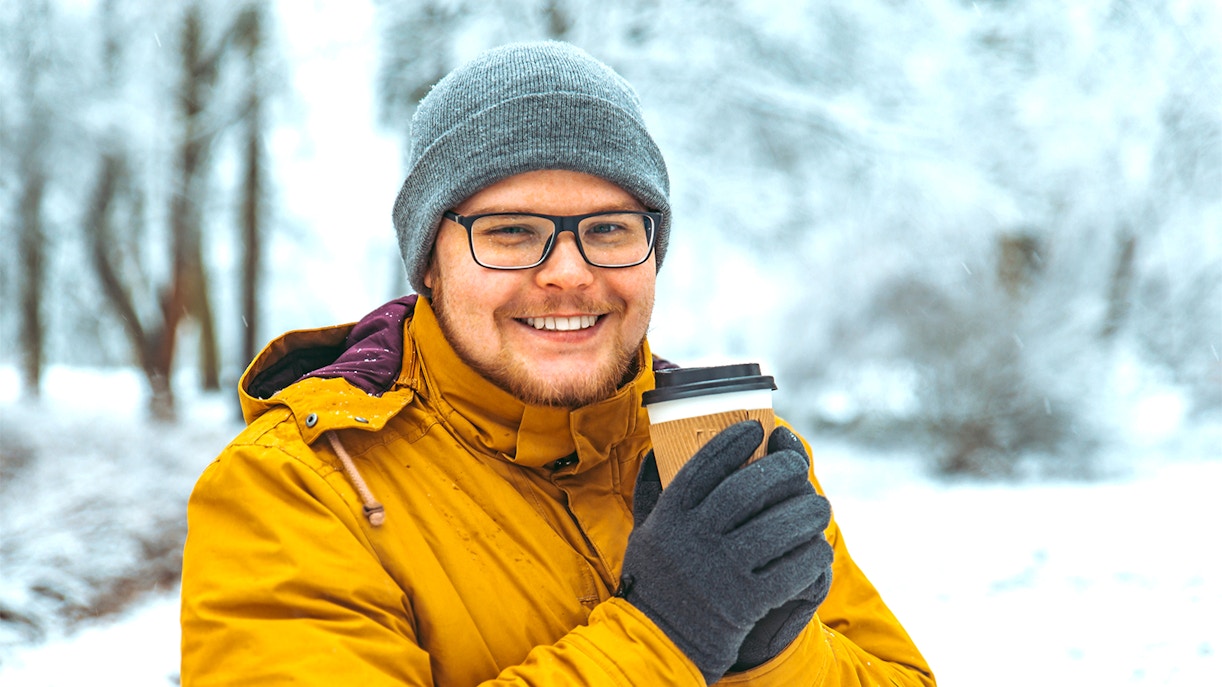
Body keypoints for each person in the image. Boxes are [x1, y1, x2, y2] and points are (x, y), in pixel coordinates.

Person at [179, 41, 935, 686]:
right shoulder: (297, 488)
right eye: (510, 232)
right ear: (430, 263)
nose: (569, 272)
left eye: (608, 229)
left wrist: (774, 655)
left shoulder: (721, 453)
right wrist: (666, 635)